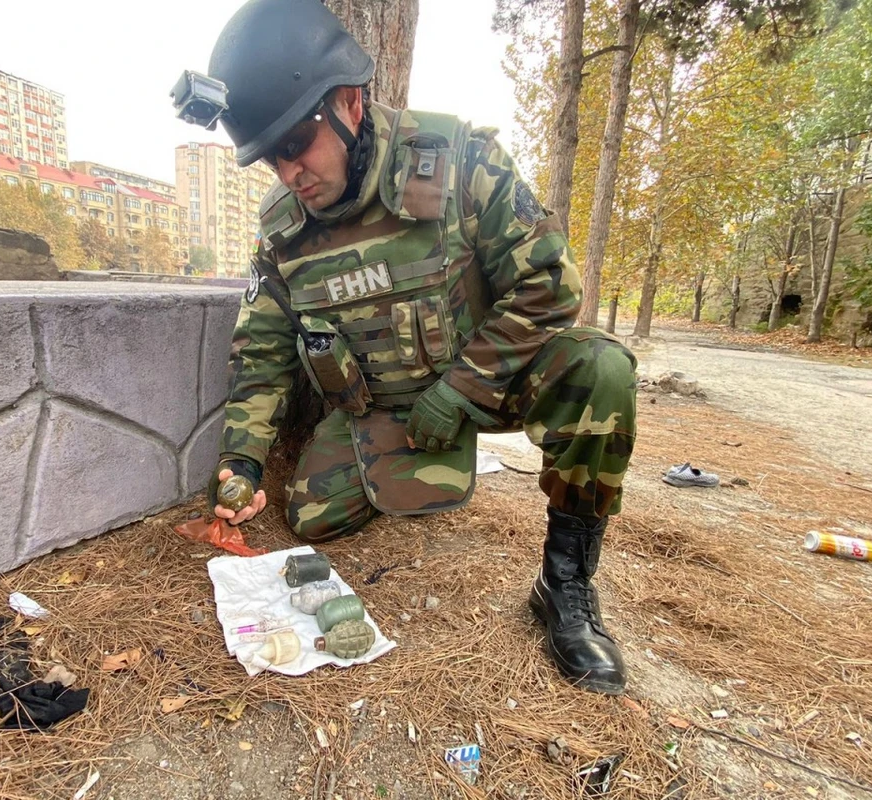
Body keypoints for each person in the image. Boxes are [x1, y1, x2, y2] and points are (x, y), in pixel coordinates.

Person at [174, 0, 638, 695]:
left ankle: (565, 588)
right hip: (387, 408)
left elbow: (550, 284)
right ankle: (427, 461)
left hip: (493, 384)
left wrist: (463, 389)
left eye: (297, 142)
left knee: (600, 368)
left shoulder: (457, 162)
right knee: (312, 520)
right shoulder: (282, 231)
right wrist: (239, 459)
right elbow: (262, 351)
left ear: (350, 104)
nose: (288, 170)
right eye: (271, 156)